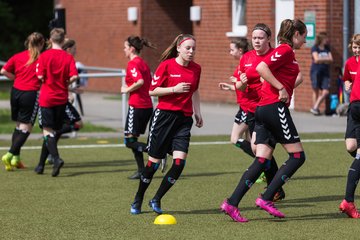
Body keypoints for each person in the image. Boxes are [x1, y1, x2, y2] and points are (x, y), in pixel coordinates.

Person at [220, 19, 307, 222]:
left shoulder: (286, 53)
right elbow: (261, 68)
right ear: (296, 34)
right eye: (304, 36)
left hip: (261, 109)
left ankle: (232, 203)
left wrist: (285, 85)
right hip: (274, 107)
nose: (305, 40)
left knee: (262, 159)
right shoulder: (285, 50)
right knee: (297, 157)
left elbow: (273, 72)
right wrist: (282, 88)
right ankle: (268, 197)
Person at [130, 34, 203, 214]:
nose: (191, 51)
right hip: (164, 118)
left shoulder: (196, 69)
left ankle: (156, 199)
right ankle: (138, 198)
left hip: (184, 120)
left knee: (179, 164)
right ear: (178, 48)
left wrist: (198, 112)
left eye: (194, 48)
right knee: (152, 165)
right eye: (188, 48)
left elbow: (195, 91)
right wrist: (174, 89)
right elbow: (152, 91)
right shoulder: (167, 65)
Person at [34, 28, 78, 177]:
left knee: (47, 132)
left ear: (50, 39)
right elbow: (74, 77)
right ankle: (40, 165)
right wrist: (65, 82)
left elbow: (39, 76)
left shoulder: (44, 56)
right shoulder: (68, 57)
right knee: (53, 132)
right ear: (63, 39)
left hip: (47, 97)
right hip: (61, 98)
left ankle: (56, 159)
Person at [0, 32, 45, 171]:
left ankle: (16, 159)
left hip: (16, 92)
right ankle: (9, 154)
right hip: (30, 94)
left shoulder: (17, 56)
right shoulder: (42, 58)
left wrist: (16, 78)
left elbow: (3, 71)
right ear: (42, 43)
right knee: (26, 128)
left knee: (19, 125)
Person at [46, 38, 85, 165]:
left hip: (56, 97)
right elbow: (62, 80)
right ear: (68, 49)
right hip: (59, 99)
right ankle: (51, 154)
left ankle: (51, 155)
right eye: (74, 49)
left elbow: (59, 80)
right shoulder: (66, 59)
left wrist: (71, 89)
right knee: (77, 124)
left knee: (56, 127)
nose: (76, 51)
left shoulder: (60, 58)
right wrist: (68, 92)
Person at [121, 36, 155, 179]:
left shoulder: (133, 64)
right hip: (146, 106)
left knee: (129, 141)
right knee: (133, 139)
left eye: (125, 47)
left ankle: (154, 152)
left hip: (137, 106)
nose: (124, 50)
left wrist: (127, 89)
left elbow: (140, 81)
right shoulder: (143, 63)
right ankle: (141, 170)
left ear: (132, 49)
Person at [339, 33, 360, 218]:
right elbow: (346, 78)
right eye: (355, 46)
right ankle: (348, 201)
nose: (357, 50)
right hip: (357, 106)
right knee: (355, 151)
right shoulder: (351, 63)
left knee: (354, 148)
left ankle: (348, 200)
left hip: (356, 106)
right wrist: (347, 83)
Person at [310, 32, 333, 115]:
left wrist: (321, 59)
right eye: (326, 38)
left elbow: (331, 59)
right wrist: (325, 59)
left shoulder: (327, 48)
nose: (327, 40)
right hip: (316, 71)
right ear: (322, 39)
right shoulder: (315, 48)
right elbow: (316, 60)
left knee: (325, 91)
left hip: (325, 72)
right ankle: (316, 110)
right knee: (315, 90)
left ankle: (315, 107)